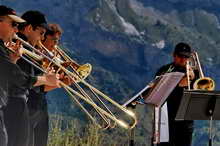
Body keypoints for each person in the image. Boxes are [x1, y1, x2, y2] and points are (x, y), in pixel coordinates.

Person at [0, 6, 60, 146]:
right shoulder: (16, 46)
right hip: (15, 105)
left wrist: (13, 61)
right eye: (13, 24)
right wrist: (45, 79)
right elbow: (18, 78)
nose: (16, 29)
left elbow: (9, 74)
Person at [153, 42, 199, 146]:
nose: (183, 59)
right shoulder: (164, 70)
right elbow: (157, 93)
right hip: (167, 119)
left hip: (186, 120)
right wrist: (178, 84)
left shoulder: (194, 73)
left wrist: (193, 79)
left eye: (186, 57)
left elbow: (201, 93)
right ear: (174, 55)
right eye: (180, 56)